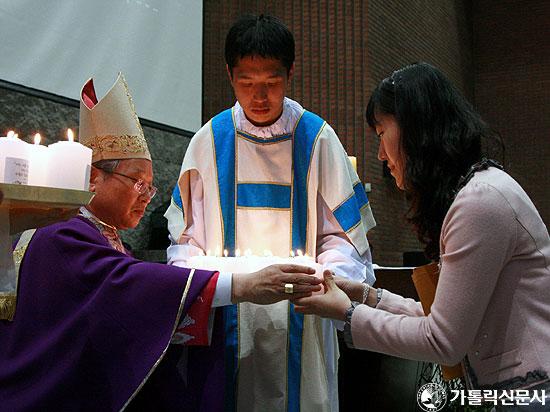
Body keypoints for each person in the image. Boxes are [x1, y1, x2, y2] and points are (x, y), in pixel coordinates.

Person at [0, 73, 320, 411]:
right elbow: (126, 284)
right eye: (137, 182)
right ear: (94, 177)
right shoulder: (62, 233)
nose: (147, 197)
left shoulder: (105, 237)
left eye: (150, 186)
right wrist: (242, 285)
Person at [293, 62, 550, 410]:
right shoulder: (476, 192)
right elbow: (442, 319)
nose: (382, 155)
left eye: (382, 133)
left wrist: (347, 314)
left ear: (416, 130)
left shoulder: (479, 201)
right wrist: (365, 296)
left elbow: (442, 341)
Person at [165, 14, 376, 412]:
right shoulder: (208, 143)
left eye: (271, 82)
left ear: (290, 73)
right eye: (246, 82)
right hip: (229, 316)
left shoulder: (318, 139)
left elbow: (344, 240)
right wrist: (218, 281)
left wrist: (323, 277)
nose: (259, 96)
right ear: (229, 75)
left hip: (305, 318)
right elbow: (186, 241)